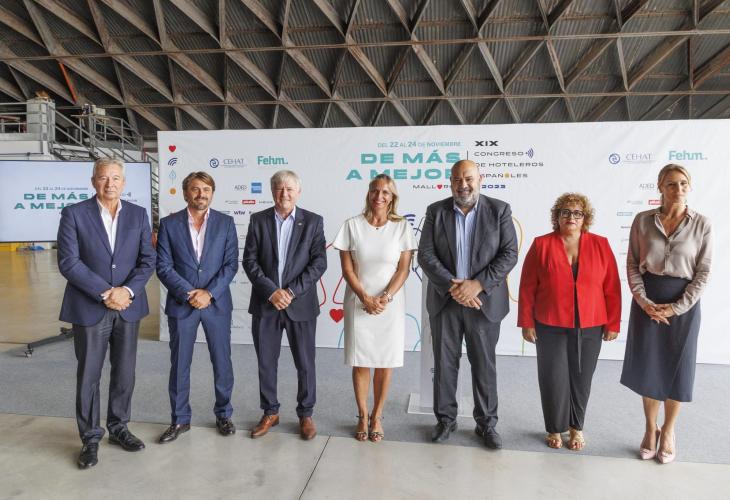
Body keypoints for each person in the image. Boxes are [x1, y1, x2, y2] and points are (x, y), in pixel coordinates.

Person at [57, 158, 155, 469]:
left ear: (123, 183)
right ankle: (90, 438)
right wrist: (105, 292)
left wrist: (126, 291)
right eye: (103, 178)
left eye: (115, 178)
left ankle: (119, 427)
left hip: (127, 306)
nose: (109, 183)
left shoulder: (138, 215)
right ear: (93, 181)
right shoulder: (74, 214)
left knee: (125, 371)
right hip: (90, 306)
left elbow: (147, 260)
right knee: (89, 374)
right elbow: (69, 262)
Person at [417, 159, 518, 449]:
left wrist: (477, 285)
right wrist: (455, 287)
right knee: (444, 363)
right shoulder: (436, 211)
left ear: (479, 179)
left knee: (483, 365)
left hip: (483, 303)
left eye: (469, 178)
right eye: (457, 179)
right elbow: (425, 254)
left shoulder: (499, 210)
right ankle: (445, 420)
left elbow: (509, 253)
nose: (463, 185)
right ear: (451, 182)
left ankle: (486, 424)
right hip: (445, 301)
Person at [620, 164, 713, 464]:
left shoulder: (702, 224)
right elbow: (633, 264)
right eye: (671, 184)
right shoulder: (642, 220)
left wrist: (676, 307)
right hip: (647, 301)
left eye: (683, 183)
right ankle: (650, 429)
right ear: (660, 187)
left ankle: (669, 431)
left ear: (690, 186)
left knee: (678, 369)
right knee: (650, 366)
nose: (678, 189)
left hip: (683, 304)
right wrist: (644, 301)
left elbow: (703, 272)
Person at [518, 193, 621, 451]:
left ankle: (576, 427)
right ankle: (554, 428)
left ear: (585, 218)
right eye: (565, 212)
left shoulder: (601, 244)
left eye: (577, 213)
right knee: (553, 377)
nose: (571, 217)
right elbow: (527, 286)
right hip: (549, 323)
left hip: (591, 323)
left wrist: (613, 323)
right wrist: (526, 322)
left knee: (581, 378)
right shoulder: (541, 244)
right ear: (557, 216)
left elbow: (612, 287)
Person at [242, 170, 327, 440]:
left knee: (305, 363)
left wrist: (290, 292)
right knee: (266, 362)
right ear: (272, 192)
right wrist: (272, 292)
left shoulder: (313, 221)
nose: (284, 193)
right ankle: (270, 412)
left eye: (290, 189)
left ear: (298, 192)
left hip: (300, 304)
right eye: (279, 188)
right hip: (266, 304)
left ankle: (306, 414)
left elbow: (319, 263)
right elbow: (250, 261)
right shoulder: (258, 220)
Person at [155, 171, 239, 443]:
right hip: (183, 304)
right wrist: (190, 293)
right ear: (185, 193)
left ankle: (224, 414)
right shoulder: (169, 224)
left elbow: (230, 265)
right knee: (179, 363)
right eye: (195, 189)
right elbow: (163, 266)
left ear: (212, 193)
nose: (201, 194)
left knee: (222, 361)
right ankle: (180, 419)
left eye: (206, 189)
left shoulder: (226, 223)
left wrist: (209, 293)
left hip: (216, 304)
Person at [332, 174, 417, 442]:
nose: (379, 196)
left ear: (393, 197)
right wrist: (365, 298)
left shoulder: (401, 227)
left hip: (390, 305)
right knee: (360, 362)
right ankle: (362, 414)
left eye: (385, 192)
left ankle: (377, 416)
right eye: (375, 191)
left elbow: (403, 269)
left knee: (385, 362)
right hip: (359, 302)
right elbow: (347, 269)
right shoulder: (351, 226)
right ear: (368, 194)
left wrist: (385, 298)